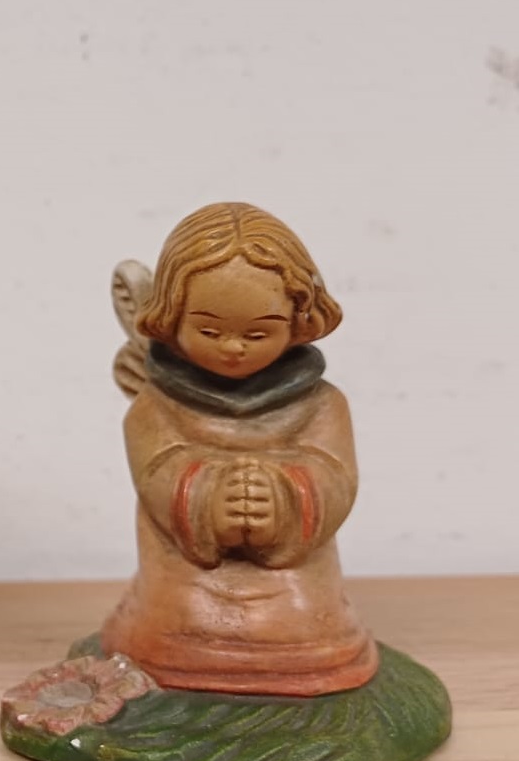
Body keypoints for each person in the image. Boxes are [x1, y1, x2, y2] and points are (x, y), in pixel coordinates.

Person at [101, 203, 378, 696]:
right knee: (180, 623)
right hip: (186, 572)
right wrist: (207, 499)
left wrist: (285, 499)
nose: (233, 347)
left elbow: (336, 474)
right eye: (209, 331)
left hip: (293, 573)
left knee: (304, 627)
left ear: (297, 322)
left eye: (258, 332)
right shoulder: (156, 405)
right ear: (172, 318)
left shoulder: (321, 405)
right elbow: (155, 469)